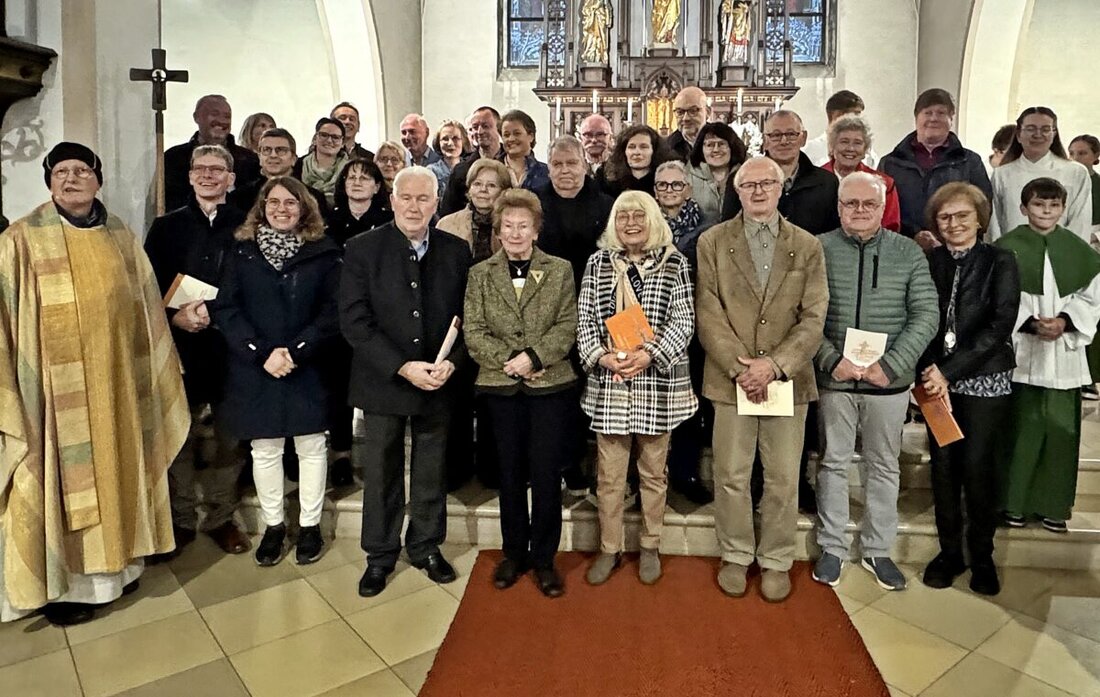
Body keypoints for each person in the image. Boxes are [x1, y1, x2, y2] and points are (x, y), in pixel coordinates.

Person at [0, 142, 189, 625]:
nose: (71, 179)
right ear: (48, 181)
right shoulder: (22, 240)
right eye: (60, 171)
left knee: (122, 465)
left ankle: (121, 568)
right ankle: (72, 587)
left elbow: (147, 313)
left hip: (120, 385)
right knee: (64, 486)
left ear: (97, 180)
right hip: (52, 397)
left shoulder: (120, 236)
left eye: (81, 170)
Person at [696, 157, 828, 601]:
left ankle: (775, 559)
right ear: (737, 189)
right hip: (731, 376)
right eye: (748, 184)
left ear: (780, 187)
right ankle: (735, 554)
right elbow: (708, 310)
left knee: (783, 476)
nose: (757, 191)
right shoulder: (713, 241)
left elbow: (814, 316)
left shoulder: (807, 245)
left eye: (766, 183)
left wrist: (774, 365)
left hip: (787, 379)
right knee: (731, 474)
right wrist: (742, 368)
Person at [339, 166, 472, 597]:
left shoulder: (456, 250)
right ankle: (379, 555)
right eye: (407, 198)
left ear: (437, 204)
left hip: (438, 380)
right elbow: (354, 321)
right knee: (381, 472)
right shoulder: (362, 249)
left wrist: (453, 361)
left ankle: (426, 546)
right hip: (384, 380)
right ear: (392, 200)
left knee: (432, 468)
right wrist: (402, 366)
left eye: (424, 199)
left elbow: (470, 316)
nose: (415, 207)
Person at [812, 172, 939, 591]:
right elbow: (804, 313)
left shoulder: (907, 252)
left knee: (883, 465)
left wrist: (894, 363)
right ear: (839, 206)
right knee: (832, 462)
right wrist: (832, 360)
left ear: (883, 207)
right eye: (851, 203)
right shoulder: (820, 248)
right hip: (836, 379)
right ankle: (832, 546)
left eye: (869, 204)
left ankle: (877, 548)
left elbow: (926, 314)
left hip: (889, 380)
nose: (860, 211)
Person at [214, 176, 341, 567]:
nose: (282, 209)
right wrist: (261, 353)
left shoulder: (324, 251)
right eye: (274, 202)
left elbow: (333, 311)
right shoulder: (241, 251)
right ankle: (273, 526)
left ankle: (309, 526)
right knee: (265, 449)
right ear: (262, 207)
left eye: (290, 203)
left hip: (308, 363)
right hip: (257, 366)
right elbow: (226, 309)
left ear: (304, 208)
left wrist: (298, 349)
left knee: (311, 446)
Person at [578, 191, 698, 586]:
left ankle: (650, 545)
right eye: (623, 216)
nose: (631, 222)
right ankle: (610, 548)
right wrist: (602, 356)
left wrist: (649, 354)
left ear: (653, 221)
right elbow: (585, 320)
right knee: (609, 477)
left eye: (639, 216)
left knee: (653, 473)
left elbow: (683, 321)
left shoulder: (674, 263)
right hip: (611, 382)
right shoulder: (598, 264)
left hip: (657, 382)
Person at [464, 189, 578, 597]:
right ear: (497, 230)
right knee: (509, 475)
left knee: (546, 474)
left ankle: (545, 559)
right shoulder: (480, 273)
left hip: (549, 386)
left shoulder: (560, 269)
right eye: (507, 226)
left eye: (522, 226)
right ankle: (514, 553)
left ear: (536, 229)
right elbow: (473, 331)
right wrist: (509, 360)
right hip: (500, 386)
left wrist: (533, 357)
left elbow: (568, 325)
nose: (515, 233)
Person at [144, 144, 250, 561]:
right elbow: (147, 286)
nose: (208, 175)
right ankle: (183, 519)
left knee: (229, 439)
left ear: (231, 178)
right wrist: (174, 319)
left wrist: (219, 314)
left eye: (217, 169)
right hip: (179, 345)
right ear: (188, 177)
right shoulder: (166, 227)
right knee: (179, 436)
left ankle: (222, 517)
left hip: (231, 347)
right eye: (200, 169)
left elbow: (256, 285)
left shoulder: (246, 226)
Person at [917, 182, 1019, 596]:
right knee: (943, 468)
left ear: (980, 218)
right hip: (935, 379)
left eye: (962, 215)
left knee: (978, 468)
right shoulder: (930, 260)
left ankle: (981, 556)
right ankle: (949, 554)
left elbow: (1000, 324)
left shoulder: (1001, 260)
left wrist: (949, 370)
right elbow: (921, 316)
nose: (953, 223)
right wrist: (926, 371)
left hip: (984, 376)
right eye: (944, 217)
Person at [995, 177, 1100, 533]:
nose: (1046, 211)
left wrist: (1066, 321)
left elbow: (1091, 297)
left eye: (1053, 205)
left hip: (1064, 357)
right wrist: (1028, 322)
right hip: (1024, 353)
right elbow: (1000, 295)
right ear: (1024, 208)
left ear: (1063, 209)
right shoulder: (1006, 247)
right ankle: (1014, 503)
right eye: (1039, 205)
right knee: (1021, 430)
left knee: (1062, 432)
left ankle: (1053, 504)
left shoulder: (1080, 251)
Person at [536, 136, 615, 496]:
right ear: (548, 166)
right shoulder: (535, 203)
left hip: (598, 309)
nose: (565, 171)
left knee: (593, 388)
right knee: (559, 390)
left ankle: (595, 467)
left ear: (585, 164)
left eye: (571, 163)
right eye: (557, 164)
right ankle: (562, 463)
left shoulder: (607, 205)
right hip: (548, 311)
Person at [324, 158, 394, 487]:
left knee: (376, 389)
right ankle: (341, 455)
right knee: (338, 388)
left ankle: (379, 459)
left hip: (377, 318)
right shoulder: (328, 220)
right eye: (351, 177)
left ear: (377, 186)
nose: (356, 183)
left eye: (365, 178)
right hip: (337, 317)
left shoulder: (388, 221)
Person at [653, 160, 713, 505]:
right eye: (663, 185)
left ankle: (684, 471)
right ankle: (649, 473)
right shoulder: (642, 224)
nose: (670, 191)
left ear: (688, 189)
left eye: (676, 185)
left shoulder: (707, 229)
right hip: (650, 327)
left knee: (689, 405)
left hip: (692, 324)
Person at [878, 88, 992, 245]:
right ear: (916, 117)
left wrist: (947, 236)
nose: (934, 118)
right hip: (902, 247)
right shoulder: (890, 163)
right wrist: (914, 235)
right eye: (927, 112)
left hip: (954, 248)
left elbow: (982, 208)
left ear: (951, 118)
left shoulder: (969, 162)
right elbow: (881, 208)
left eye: (941, 113)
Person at [720, 111, 840, 236]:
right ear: (765, 141)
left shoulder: (826, 182)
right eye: (776, 135)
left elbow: (833, 236)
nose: (784, 141)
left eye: (791, 134)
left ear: (803, 138)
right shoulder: (742, 179)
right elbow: (729, 231)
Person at [989, 107, 1093, 243]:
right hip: (1012, 254)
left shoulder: (1076, 172)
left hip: (1060, 254)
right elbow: (995, 224)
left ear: (1054, 134)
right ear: (1019, 135)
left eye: (1045, 129)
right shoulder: (1002, 174)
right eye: (1031, 129)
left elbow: (1081, 223)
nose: (1038, 135)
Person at [164, 95, 261, 212]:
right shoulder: (174, 158)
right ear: (196, 117)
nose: (222, 121)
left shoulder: (250, 160)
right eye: (214, 114)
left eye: (227, 116)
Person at [822, 114, 901, 232]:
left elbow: (891, 228)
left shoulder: (885, 184)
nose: (851, 148)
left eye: (857, 143)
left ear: (865, 150)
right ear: (832, 147)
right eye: (844, 142)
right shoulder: (814, 181)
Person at [230, 128, 330, 219]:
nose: (273, 155)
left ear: (294, 159)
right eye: (267, 150)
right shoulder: (240, 197)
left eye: (280, 150)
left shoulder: (313, 197)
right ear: (260, 158)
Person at [438, 159, 513, 264]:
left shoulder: (513, 225)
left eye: (491, 185)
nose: (483, 189)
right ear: (469, 189)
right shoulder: (446, 225)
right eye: (477, 184)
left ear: (503, 191)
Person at [441, 106, 505, 217]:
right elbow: (448, 212)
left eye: (485, 126)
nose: (479, 132)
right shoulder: (460, 170)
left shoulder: (512, 164)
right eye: (475, 127)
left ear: (499, 129)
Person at [687, 122, 747, 226]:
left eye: (721, 144)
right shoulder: (687, 177)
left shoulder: (746, 174)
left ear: (732, 147)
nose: (716, 150)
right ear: (701, 149)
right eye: (710, 145)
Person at [802, 90, 879, 168]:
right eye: (847, 114)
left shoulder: (866, 150)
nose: (852, 120)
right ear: (831, 115)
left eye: (857, 115)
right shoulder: (811, 150)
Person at [595, 124, 665, 198]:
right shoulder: (605, 178)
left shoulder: (664, 179)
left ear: (654, 150)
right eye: (632, 147)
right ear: (624, 151)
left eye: (643, 147)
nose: (637, 152)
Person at [292, 117, 348, 208]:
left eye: (335, 137)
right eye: (324, 135)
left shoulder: (350, 169)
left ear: (342, 143)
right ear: (315, 139)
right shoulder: (298, 165)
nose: (329, 140)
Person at [500, 110, 550, 192]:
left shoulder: (547, 173)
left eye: (517, 133)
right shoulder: (492, 171)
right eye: (506, 135)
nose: (511, 139)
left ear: (531, 136)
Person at [428, 119, 472, 198]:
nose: (450, 143)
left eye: (455, 138)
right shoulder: (431, 171)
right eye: (445, 139)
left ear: (463, 142)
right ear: (438, 142)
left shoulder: (471, 168)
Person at [666, 86, 709, 160]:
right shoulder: (666, 148)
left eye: (693, 111)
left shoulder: (724, 142)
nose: (685, 118)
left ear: (707, 112)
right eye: (680, 112)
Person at [1068, 134, 1100, 231]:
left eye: (1082, 153)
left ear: (1096, 155)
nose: (1075, 158)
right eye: (1071, 153)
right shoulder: (1060, 183)